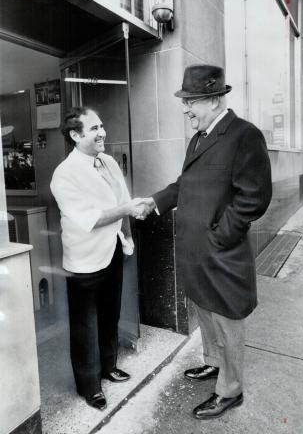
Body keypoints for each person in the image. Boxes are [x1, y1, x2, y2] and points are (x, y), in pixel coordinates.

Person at [141, 64, 272, 419]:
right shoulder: (199, 138)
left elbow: (254, 198)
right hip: (196, 252)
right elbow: (184, 185)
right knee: (206, 311)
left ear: (214, 100)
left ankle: (231, 390)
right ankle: (214, 364)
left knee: (227, 317)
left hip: (220, 251)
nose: (186, 109)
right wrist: (155, 202)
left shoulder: (244, 135)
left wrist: (220, 236)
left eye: (191, 102)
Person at [50, 107, 150, 411]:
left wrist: (128, 236)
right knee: (84, 324)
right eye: (94, 128)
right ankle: (89, 385)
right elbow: (90, 219)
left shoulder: (107, 161)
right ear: (76, 135)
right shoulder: (64, 174)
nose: (102, 132)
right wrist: (130, 209)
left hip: (113, 250)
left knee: (110, 313)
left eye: (102, 125)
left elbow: (122, 198)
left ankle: (108, 366)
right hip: (84, 261)